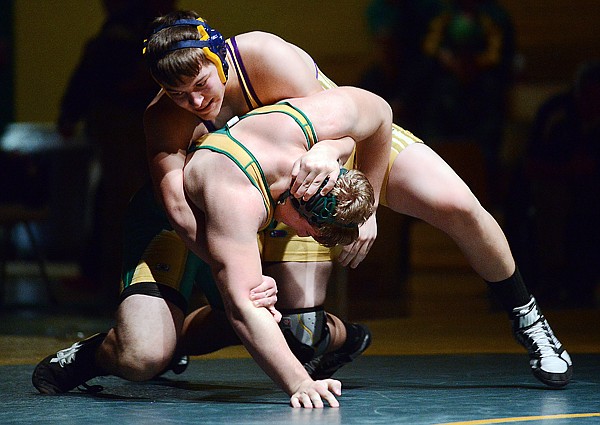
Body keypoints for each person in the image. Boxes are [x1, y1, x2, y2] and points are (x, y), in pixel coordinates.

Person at [32, 11, 374, 408]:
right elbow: (178, 210)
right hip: (184, 223)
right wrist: (243, 273)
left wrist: (331, 150)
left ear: (219, 59)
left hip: (262, 209)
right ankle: (97, 352)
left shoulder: (266, 64)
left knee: (296, 332)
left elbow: (371, 116)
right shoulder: (164, 120)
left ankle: (186, 338)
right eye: (178, 93)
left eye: (200, 84)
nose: (196, 101)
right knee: (144, 355)